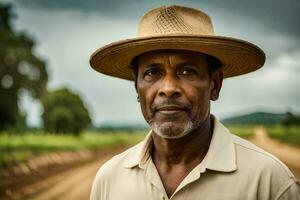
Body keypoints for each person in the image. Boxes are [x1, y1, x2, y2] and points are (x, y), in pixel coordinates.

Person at [89, 5, 300, 200]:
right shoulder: (109, 180)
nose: (168, 88)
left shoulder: (269, 182)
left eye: (187, 71)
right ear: (137, 88)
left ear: (215, 85)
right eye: (153, 72)